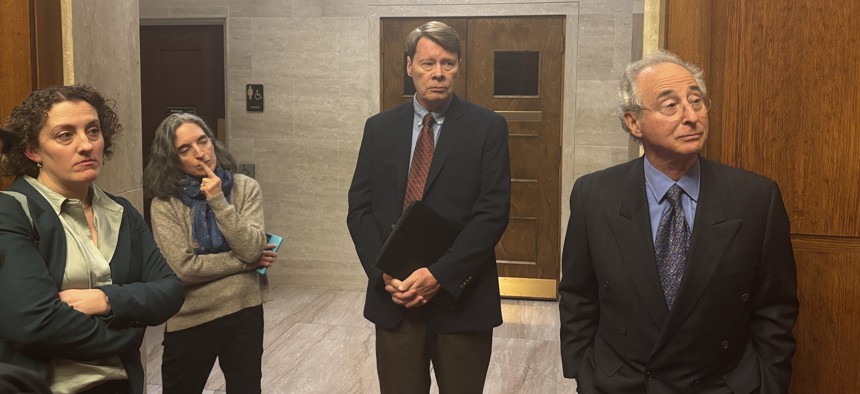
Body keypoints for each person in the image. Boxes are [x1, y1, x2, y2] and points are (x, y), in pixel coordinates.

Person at [558, 50, 799, 393]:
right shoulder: (594, 195)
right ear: (633, 122)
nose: (692, 117)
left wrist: (768, 381)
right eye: (670, 105)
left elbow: (775, 306)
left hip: (722, 384)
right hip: (623, 384)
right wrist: (585, 372)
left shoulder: (756, 197)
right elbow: (577, 296)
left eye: (696, 101)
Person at [347, 21, 511, 393]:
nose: (438, 73)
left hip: (462, 299)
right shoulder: (379, 128)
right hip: (395, 301)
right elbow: (359, 208)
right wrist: (384, 273)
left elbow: (493, 213)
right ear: (409, 66)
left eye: (448, 63)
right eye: (427, 63)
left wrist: (439, 275)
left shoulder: (488, 128)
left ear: (457, 66)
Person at [0, 84, 185, 394]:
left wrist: (107, 300)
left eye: (93, 131)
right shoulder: (11, 211)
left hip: (122, 384)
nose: (86, 145)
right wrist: (131, 332)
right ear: (33, 150)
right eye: (65, 135)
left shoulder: (122, 211)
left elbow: (169, 291)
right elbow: (34, 324)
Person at [143, 113, 276, 394]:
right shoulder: (165, 203)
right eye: (185, 149)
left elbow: (252, 246)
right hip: (191, 317)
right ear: (173, 159)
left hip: (244, 310)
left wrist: (217, 200)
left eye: (203, 141)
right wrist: (244, 264)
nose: (200, 153)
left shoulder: (244, 188)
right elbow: (183, 269)